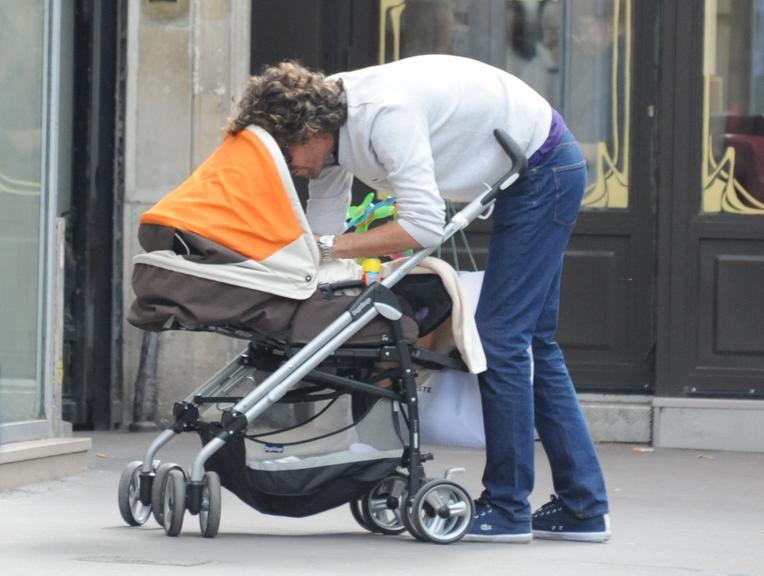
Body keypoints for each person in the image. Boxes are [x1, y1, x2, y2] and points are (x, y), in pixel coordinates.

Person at [227, 55, 610, 543]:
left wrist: (326, 249)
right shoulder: (328, 128)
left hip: (541, 171)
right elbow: (323, 222)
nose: (288, 164)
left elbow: (423, 226)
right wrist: (302, 275)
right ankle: (584, 508)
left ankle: (508, 506)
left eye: (287, 151)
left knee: (501, 338)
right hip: (524, 168)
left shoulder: (385, 114)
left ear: (311, 129)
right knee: (532, 342)